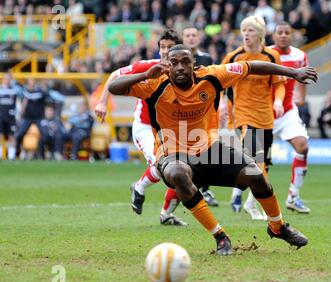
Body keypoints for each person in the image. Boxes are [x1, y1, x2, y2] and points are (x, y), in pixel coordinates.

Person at [108, 44, 317, 255]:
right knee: (178, 173)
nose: (180, 67)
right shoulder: (154, 84)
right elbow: (114, 87)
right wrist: (145, 74)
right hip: (171, 152)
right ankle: (220, 236)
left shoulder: (212, 76)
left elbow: (252, 66)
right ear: (167, 66)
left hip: (209, 149)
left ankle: (278, 227)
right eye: (174, 63)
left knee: (256, 175)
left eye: (185, 62)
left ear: (194, 65)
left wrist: (293, 72)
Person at [94, 29, 187, 226]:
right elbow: (115, 75)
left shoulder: (185, 72)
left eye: (169, 48)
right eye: (162, 47)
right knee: (161, 166)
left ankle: (166, 214)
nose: (164, 51)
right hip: (146, 128)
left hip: (171, 130)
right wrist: (102, 102)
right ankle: (139, 187)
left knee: (185, 170)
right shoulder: (148, 67)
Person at [222, 16, 285, 220]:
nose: (246, 34)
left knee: (263, 163)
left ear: (260, 34)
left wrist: (279, 101)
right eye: (243, 30)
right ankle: (261, 205)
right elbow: (219, 81)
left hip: (265, 115)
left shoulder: (271, 56)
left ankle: (246, 199)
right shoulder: (234, 57)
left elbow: (279, 84)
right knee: (254, 158)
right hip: (243, 114)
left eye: (250, 30)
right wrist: (223, 102)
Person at [270, 21, 312, 214]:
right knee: (254, 160)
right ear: (274, 35)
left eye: (287, 32)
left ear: (292, 35)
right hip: (264, 112)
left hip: (286, 111)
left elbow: (303, 76)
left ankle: (294, 196)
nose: (284, 35)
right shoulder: (267, 54)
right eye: (280, 32)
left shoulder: (300, 55)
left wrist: (301, 97)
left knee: (302, 146)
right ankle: (244, 199)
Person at [183, 25, 219, 207]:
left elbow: (214, 83)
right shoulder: (178, 60)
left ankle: (205, 190)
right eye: (187, 35)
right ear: (183, 38)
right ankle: (187, 189)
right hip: (183, 113)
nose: (191, 38)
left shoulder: (206, 59)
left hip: (203, 112)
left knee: (206, 149)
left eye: (193, 35)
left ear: (198, 38)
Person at [15, 79, 57, 159]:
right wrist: (21, 112)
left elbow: (49, 99)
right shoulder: (25, 92)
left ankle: (44, 154)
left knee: (46, 134)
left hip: (39, 118)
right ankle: (17, 153)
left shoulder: (40, 92)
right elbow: (24, 102)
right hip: (27, 117)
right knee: (19, 134)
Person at [0, 72, 21, 160]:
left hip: (11, 116)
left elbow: (21, 98)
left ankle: (11, 155)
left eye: (9, 78)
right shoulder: (0, 89)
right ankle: (1, 154)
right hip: (1, 116)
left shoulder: (15, 90)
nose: (7, 80)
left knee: (11, 135)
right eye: (6, 78)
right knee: (0, 135)